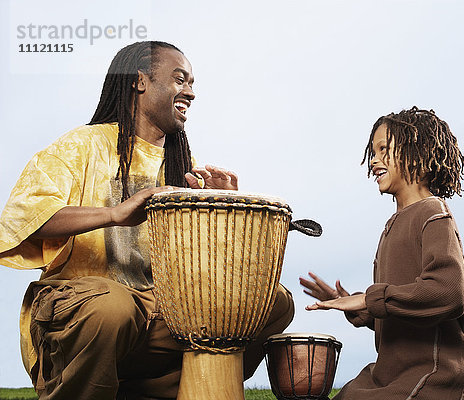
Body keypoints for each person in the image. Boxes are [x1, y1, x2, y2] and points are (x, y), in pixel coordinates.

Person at [0, 41, 294, 400]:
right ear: (140, 81)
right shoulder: (81, 146)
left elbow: (203, 266)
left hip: (158, 314)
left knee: (273, 302)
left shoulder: (184, 167)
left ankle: (178, 389)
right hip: (81, 309)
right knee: (113, 305)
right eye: (179, 79)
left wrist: (225, 205)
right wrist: (114, 214)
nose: (190, 92)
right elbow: (23, 219)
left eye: (192, 83)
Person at [301, 107, 464, 399]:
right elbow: (399, 305)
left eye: (384, 150)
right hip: (390, 371)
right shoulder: (390, 227)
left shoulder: (433, 213)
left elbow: (450, 292)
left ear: (419, 154)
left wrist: (370, 298)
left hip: (435, 371)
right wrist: (359, 308)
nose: (375, 160)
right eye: (373, 152)